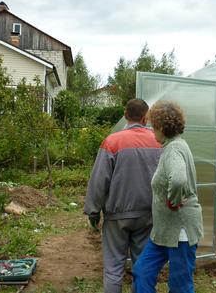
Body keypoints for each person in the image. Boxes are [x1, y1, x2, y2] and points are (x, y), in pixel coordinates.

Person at [84, 98, 162, 293]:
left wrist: (93, 214)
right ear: (146, 118)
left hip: (116, 217)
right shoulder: (159, 142)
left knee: (113, 268)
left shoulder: (112, 141)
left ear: (125, 115)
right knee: (142, 267)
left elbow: (99, 181)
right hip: (148, 216)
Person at [132, 100, 203, 293]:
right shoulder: (175, 145)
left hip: (180, 231)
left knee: (180, 285)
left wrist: (173, 200)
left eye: (153, 127)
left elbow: (179, 180)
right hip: (163, 231)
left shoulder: (173, 149)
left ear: (162, 128)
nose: (152, 131)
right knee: (142, 271)